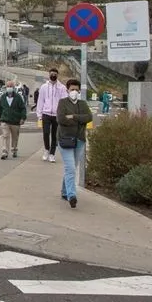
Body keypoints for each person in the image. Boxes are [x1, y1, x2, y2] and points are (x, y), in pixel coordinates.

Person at [56, 78, 93, 208]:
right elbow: (61, 119)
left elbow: (89, 117)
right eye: (72, 89)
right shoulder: (62, 102)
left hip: (79, 140)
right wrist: (79, 120)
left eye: (77, 90)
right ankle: (72, 195)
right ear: (67, 90)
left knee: (71, 168)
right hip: (65, 140)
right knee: (70, 167)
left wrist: (73, 117)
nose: (74, 92)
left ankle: (64, 191)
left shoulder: (82, 104)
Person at [36, 68, 67, 163]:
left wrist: (62, 113)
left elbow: (64, 101)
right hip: (46, 113)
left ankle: (52, 154)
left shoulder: (61, 87)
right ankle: (46, 150)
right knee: (46, 133)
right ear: (49, 75)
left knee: (55, 135)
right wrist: (39, 114)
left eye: (55, 74)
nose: (53, 75)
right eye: (51, 74)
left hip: (56, 115)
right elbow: (40, 100)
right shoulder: (44, 87)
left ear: (57, 75)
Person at [0, 80, 27, 160]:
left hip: (15, 121)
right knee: (5, 135)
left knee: (15, 137)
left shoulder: (18, 97)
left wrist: (23, 118)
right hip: (5, 120)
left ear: (13, 88)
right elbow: (0, 109)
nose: (9, 88)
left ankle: (14, 149)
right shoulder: (3, 97)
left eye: (11, 86)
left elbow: (23, 108)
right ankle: (4, 151)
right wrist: (0, 119)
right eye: (8, 86)